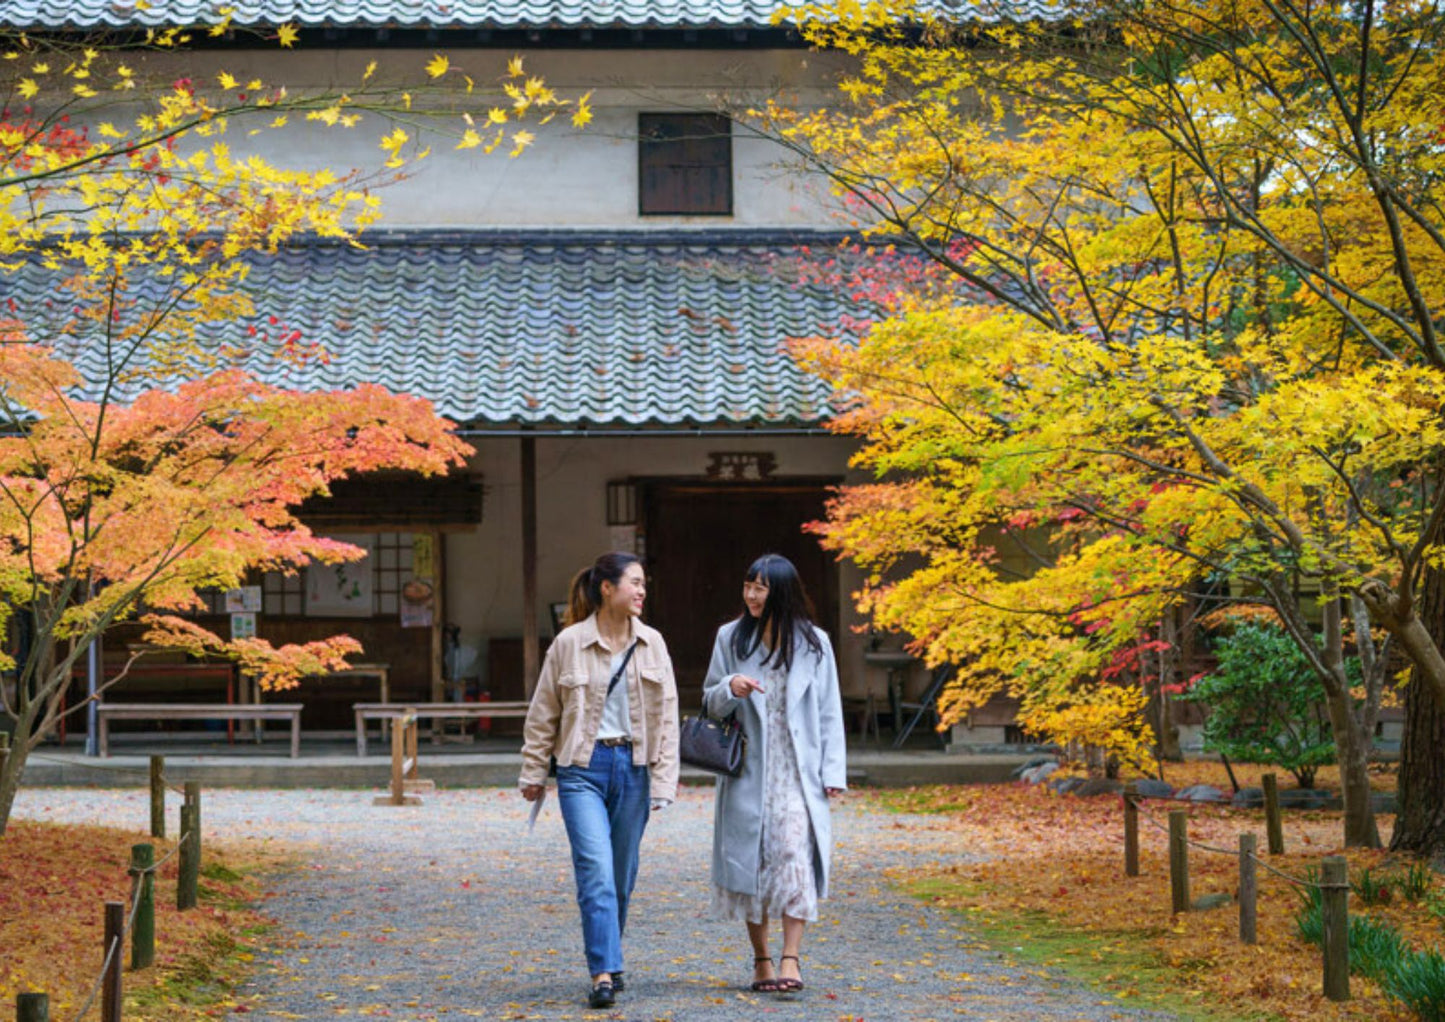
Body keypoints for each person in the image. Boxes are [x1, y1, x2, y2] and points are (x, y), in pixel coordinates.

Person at [519, 552, 680, 1008]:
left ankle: (611, 954)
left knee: (621, 876)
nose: (642, 591)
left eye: (644, 583)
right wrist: (533, 771)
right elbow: (543, 712)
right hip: (581, 770)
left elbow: (667, 717)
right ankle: (603, 973)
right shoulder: (569, 643)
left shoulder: (653, 643)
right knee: (596, 873)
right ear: (606, 588)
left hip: (633, 768)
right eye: (634, 582)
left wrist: (665, 782)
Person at [702, 553, 847, 994]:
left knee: (793, 857)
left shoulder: (814, 642)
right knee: (753, 861)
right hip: (749, 766)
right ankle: (761, 959)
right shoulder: (730, 637)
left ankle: (791, 958)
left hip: (797, 770)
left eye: (760, 587)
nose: (750, 594)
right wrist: (731, 687)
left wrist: (833, 770)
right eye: (747, 585)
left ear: (781, 591)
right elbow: (709, 700)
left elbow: (829, 711)